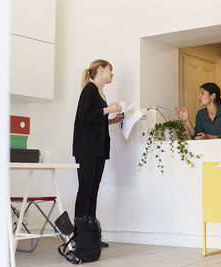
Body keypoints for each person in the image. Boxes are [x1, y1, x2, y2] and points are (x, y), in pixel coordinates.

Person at [72, 59, 123, 252]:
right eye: (110, 70)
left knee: (93, 190)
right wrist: (109, 109)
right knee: (86, 189)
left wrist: (111, 120)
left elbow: (94, 119)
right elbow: (84, 116)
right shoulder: (90, 89)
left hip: (97, 148)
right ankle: (80, 235)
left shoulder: (100, 92)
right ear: (100, 70)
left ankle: (90, 234)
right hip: (87, 149)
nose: (112, 74)